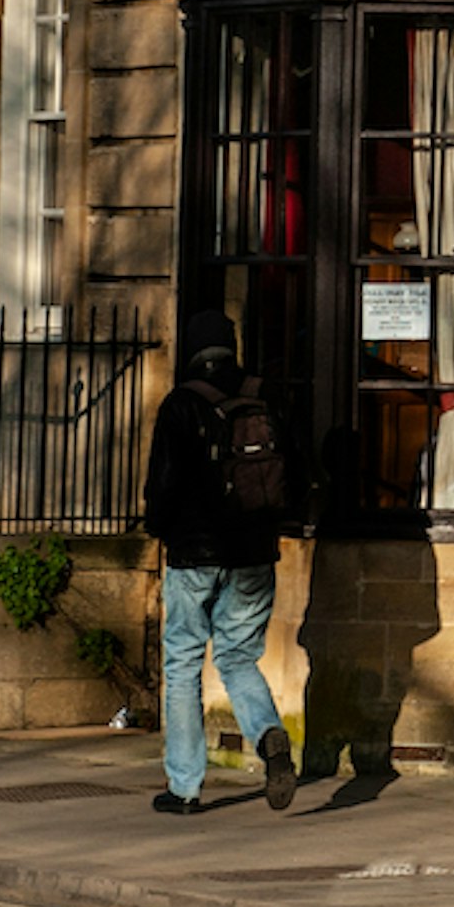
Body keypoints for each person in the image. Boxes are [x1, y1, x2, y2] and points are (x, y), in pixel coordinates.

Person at [139, 310, 302, 814]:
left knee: (184, 664)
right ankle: (268, 734)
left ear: (192, 350)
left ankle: (185, 786)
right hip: (254, 551)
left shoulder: (182, 405)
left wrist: (158, 527)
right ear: (232, 346)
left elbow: (163, 484)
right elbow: (292, 467)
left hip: (194, 553)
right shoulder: (265, 395)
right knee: (236, 656)